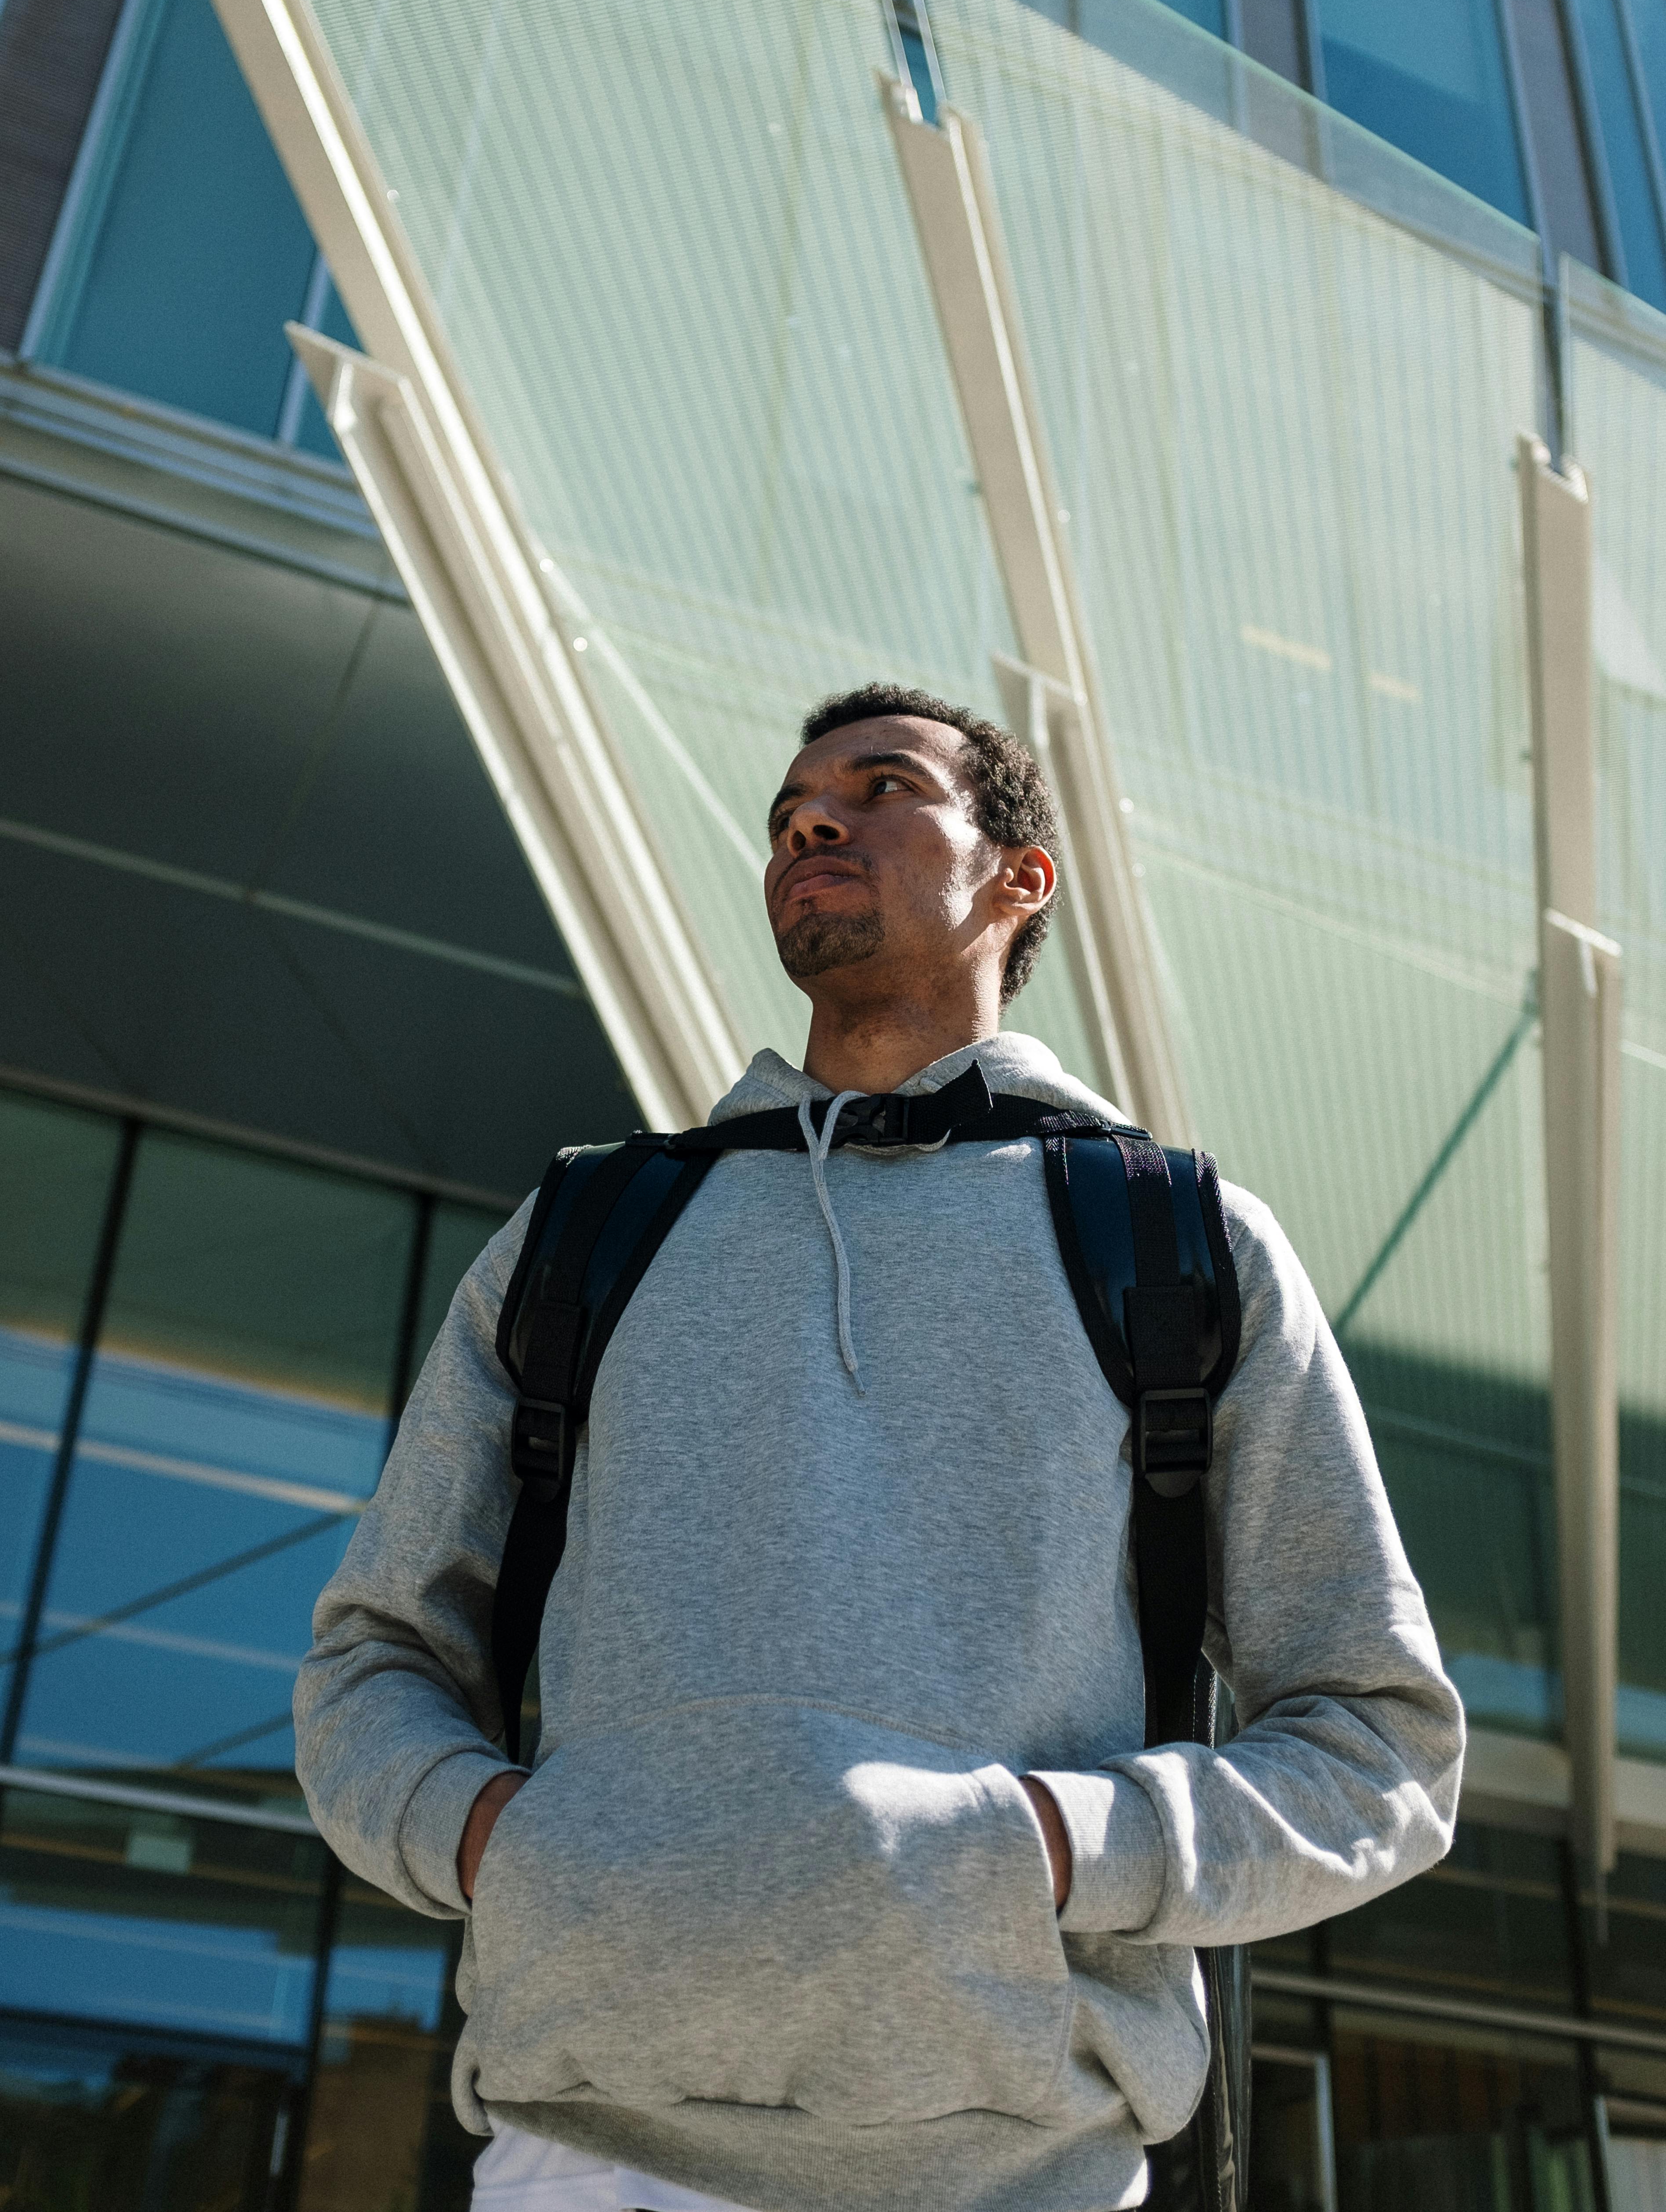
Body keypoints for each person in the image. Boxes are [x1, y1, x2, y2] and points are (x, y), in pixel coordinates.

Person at [294, 682, 1463, 2212]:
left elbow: (1381, 1751)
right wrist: (509, 1846)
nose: (810, 821)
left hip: (1014, 2174)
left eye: (881, 786)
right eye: (789, 810)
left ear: (1018, 879)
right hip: (583, 2154)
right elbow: (374, 1657)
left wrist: (1037, 1845)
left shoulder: (1180, 1242)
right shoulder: (587, 1228)